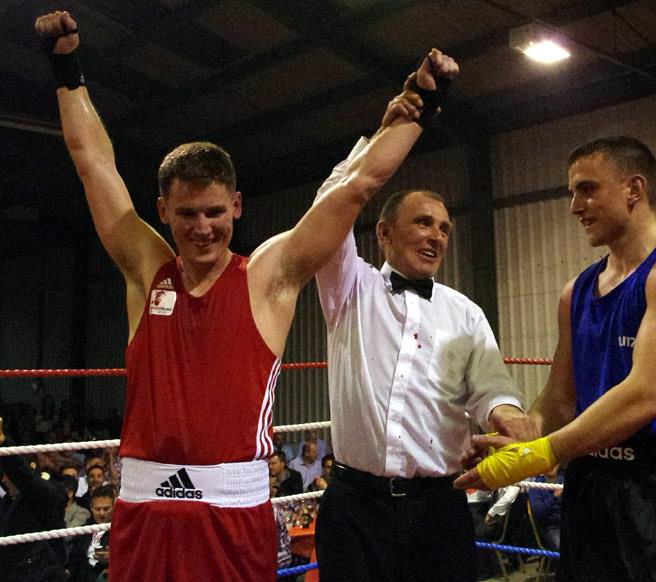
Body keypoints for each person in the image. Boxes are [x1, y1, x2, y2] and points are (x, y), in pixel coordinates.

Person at [36, 10, 437, 581]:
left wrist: (422, 107)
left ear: (238, 207)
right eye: (187, 215)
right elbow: (92, 163)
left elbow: (357, 190)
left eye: (215, 213)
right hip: (144, 517)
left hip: (233, 517)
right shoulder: (145, 267)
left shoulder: (267, 276)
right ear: (162, 213)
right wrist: (66, 67)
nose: (202, 228)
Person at [455, 136, 656, 580]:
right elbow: (560, 395)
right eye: (572, 192)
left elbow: (644, 396)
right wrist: (524, 433)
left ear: (634, 189)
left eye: (587, 189)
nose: (574, 206)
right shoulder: (577, 291)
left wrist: (538, 453)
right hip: (590, 482)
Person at [312, 58, 533, 581]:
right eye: (423, 223)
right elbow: (335, 199)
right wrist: (389, 129)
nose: (437, 235)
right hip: (354, 505)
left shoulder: (465, 312)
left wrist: (518, 428)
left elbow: (491, 394)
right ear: (384, 234)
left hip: (439, 505)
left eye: (445, 228)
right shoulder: (350, 286)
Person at [0, 417, 68, 582]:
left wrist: (3, 442)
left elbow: (24, 478)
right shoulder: (7, 501)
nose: (4, 479)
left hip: (41, 573)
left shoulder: (46, 492)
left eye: (7, 474)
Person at [67, 485, 115, 582]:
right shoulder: (82, 532)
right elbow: (73, 563)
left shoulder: (121, 532)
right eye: (97, 509)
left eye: (106, 509)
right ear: (91, 507)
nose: (102, 513)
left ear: (114, 507)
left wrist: (114, 559)